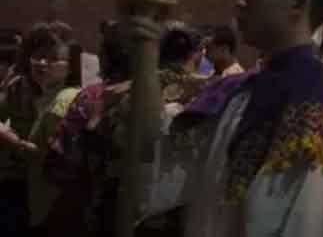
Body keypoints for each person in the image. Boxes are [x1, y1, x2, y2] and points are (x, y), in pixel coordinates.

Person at [128, 0, 323, 236]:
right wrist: (147, 47)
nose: (239, 2)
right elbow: (157, 156)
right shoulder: (236, 90)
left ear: (297, 4)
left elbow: (303, 225)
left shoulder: (322, 110)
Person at [43, 24, 211, 236]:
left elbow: (91, 147)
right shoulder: (209, 93)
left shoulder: (121, 93)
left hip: (123, 208)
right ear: (197, 54)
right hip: (180, 214)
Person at [0, 22, 81, 236]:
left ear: (70, 65)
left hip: (50, 196)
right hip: (17, 183)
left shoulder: (70, 100)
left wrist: (13, 142)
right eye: (37, 56)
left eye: (53, 58)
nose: (42, 63)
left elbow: (51, 158)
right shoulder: (20, 87)